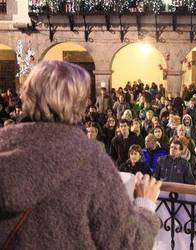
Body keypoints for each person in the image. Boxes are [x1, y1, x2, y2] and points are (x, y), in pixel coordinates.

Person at [0, 61, 161, 249]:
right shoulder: (91, 160)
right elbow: (130, 243)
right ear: (81, 104)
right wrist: (145, 205)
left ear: (26, 94)